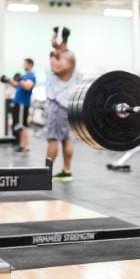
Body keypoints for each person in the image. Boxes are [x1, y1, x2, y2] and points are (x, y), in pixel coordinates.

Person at [46, 26, 77, 181]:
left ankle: (46, 174)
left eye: (53, 37)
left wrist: (52, 56)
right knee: (65, 138)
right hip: (62, 104)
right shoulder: (63, 55)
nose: (51, 40)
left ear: (58, 38)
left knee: (53, 138)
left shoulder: (67, 55)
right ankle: (66, 171)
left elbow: (58, 68)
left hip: (59, 104)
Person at [2, 58, 36, 153]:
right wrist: (8, 79)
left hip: (22, 104)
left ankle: (25, 146)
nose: (23, 65)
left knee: (22, 125)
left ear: (30, 64)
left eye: (25, 63)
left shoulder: (31, 76)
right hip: (18, 103)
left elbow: (28, 86)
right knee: (18, 125)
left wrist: (20, 80)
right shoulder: (24, 76)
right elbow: (16, 84)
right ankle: (22, 145)